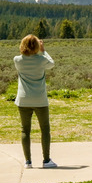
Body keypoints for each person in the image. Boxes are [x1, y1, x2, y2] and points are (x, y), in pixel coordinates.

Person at [14, 34, 57, 168]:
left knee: (25, 130)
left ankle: (28, 162)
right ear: (37, 46)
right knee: (45, 129)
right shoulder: (42, 60)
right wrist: (43, 50)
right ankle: (46, 160)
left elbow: (24, 57)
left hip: (23, 100)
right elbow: (52, 64)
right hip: (40, 100)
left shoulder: (17, 60)